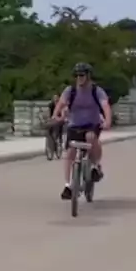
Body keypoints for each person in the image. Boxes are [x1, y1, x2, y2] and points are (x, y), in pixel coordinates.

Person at [52, 62, 111, 201]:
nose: (79, 78)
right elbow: (61, 103)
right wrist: (56, 115)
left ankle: (95, 166)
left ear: (88, 76)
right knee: (70, 152)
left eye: (82, 75)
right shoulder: (70, 90)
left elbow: (105, 106)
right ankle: (68, 186)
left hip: (92, 124)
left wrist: (108, 121)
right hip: (75, 125)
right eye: (77, 75)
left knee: (91, 137)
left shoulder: (96, 91)